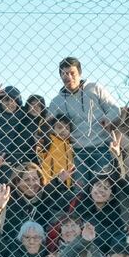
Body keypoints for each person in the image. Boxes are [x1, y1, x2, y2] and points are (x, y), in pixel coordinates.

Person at [48, 57, 121, 187]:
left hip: (102, 147)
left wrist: (107, 119)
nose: (68, 77)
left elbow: (115, 110)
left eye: (72, 73)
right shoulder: (56, 102)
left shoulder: (94, 89)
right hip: (75, 151)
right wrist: (60, 132)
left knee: (101, 187)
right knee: (80, 191)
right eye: (64, 74)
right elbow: (49, 127)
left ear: (79, 73)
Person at [38, 116, 76, 188]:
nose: (63, 130)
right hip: (50, 183)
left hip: (67, 185)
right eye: (59, 127)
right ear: (52, 129)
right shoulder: (49, 141)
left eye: (67, 128)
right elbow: (41, 132)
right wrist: (46, 123)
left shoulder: (69, 146)